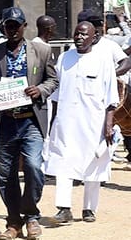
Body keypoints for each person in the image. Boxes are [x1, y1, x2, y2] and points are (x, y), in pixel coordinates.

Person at [0, 7, 57, 240]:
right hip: (5, 123)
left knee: (34, 167)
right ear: (3, 28)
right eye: (8, 26)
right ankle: (13, 220)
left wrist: (40, 90)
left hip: (31, 120)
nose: (13, 30)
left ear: (25, 26)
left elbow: (53, 79)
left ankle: (32, 216)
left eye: (17, 25)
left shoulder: (41, 51)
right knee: (5, 175)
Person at [44, 21, 119, 224]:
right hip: (66, 122)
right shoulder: (64, 58)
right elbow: (56, 95)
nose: (79, 37)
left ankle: (89, 209)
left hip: (94, 122)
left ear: (94, 38)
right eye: (77, 34)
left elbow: (112, 99)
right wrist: (53, 124)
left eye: (84, 35)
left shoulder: (103, 61)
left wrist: (108, 126)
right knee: (63, 162)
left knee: (93, 164)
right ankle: (64, 207)